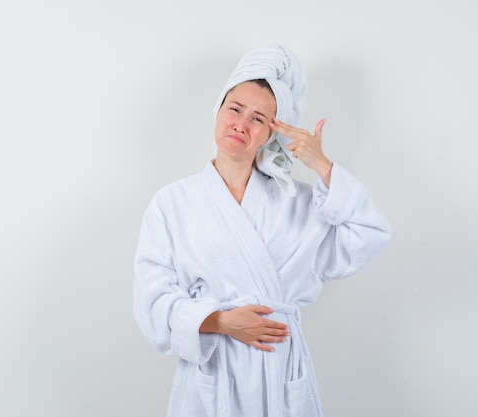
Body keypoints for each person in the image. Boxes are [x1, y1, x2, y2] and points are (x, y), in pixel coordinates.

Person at [133, 44, 392, 417]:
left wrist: (322, 166)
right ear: (218, 111)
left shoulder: (301, 203)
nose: (241, 124)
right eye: (235, 109)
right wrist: (220, 322)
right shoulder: (172, 203)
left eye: (258, 118)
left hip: (281, 372)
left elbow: (369, 234)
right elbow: (151, 302)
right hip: (213, 373)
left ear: (272, 133)